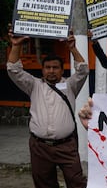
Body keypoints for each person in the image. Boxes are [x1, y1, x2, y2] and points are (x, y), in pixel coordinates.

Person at [7, 29, 88, 188]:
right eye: (48, 67)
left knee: (77, 182)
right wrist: (16, 45)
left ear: (62, 70)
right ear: (42, 70)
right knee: (44, 184)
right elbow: (13, 70)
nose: (51, 71)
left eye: (55, 67)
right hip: (40, 147)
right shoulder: (34, 85)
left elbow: (83, 70)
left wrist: (72, 48)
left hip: (67, 146)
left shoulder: (71, 85)